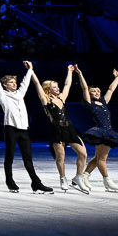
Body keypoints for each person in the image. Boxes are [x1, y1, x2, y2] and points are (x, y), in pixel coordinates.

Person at [0, 57, 50, 193]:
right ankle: (9, 181)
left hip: (24, 130)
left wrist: (30, 70)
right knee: (9, 156)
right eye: (11, 82)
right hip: (11, 129)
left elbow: (25, 83)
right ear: (5, 85)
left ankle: (36, 183)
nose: (14, 84)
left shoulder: (19, 94)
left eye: (14, 82)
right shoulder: (2, 94)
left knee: (28, 157)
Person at [68, 63, 118, 191]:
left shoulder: (104, 102)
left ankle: (83, 176)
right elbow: (84, 88)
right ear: (89, 94)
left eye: (98, 91)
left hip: (108, 132)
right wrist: (79, 73)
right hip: (101, 132)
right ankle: (107, 181)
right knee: (102, 159)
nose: (96, 92)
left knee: (98, 158)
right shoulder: (90, 103)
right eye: (93, 91)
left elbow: (110, 90)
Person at [39, 66, 89, 194]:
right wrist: (31, 71)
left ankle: (78, 177)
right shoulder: (46, 100)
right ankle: (62, 177)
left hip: (69, 128)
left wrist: (70, 71)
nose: (58, 88)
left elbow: (67, 85)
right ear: (48, 89)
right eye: (54, 87)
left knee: (83, 153)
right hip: (56, 129)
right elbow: (38, 87)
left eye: (57, 86)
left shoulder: (62, 97)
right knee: (60, 156)